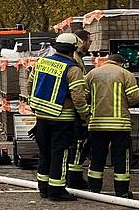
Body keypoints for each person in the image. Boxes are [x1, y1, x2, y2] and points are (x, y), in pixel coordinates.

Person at [28, 33, 92, 201]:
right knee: (60, 154)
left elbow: (30, 85)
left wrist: (36, 106)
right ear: (74, 49)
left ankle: (43, 188)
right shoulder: (73, 69)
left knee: (44, 152)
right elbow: (78, 97)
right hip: (62, 119)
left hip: (41, 117)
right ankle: (56, 190)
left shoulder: (41, 62)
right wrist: (85, 115)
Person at [84, 54, 139, 197]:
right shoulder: (125, 74)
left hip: (97, 124)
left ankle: (94, 190)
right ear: (121, 63)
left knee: (97, 157)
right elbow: (134, 98)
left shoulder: (92, 73)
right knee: (121, 158)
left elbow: (83, 96)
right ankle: (121, 192)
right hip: (120, 125)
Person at [66, 29, 93, 188]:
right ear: (82, 41)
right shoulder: (75, 61)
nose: (90, 44)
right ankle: (74, 178)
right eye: (89, 41)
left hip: (68, 110)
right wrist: (84, 114)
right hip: (75, 111)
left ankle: (74, 176)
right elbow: (77, 90)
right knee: (77, 145)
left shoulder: (77, 58)